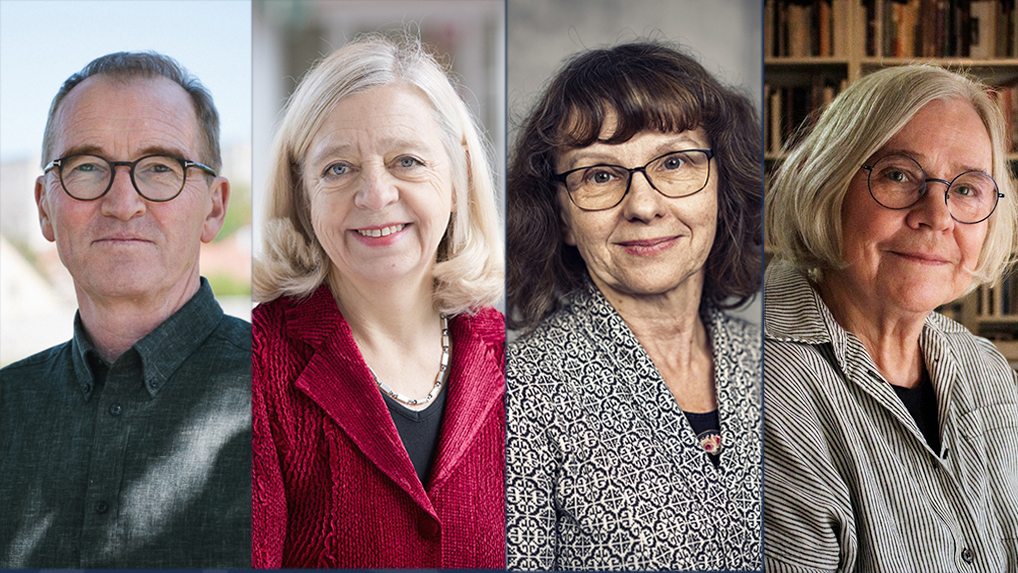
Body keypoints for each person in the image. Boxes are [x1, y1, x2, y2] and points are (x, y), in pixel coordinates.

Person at [505, 41, 763, 571]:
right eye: (599, 175)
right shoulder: (520, 390)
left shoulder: (772, 363)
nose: (643, 206)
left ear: (723, 187)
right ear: (561, 216)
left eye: (674, 162)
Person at [251, 33, 505, 569]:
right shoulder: (254, 365)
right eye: (337, 169)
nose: (375, 194)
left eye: (406, 161)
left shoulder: (520, 356)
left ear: (456, 178)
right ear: (302, 193)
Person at [0, 52, 251, 568]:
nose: (123, 202)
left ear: (215, 208)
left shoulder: (294, 400)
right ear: (45, 207)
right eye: (87, 167)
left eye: (160, 168)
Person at [764, 64, 1018, 572]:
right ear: (829, 182)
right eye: (899, 175)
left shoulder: (988, 374)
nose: (938, 215)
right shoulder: (760, 385)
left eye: (967, 189)